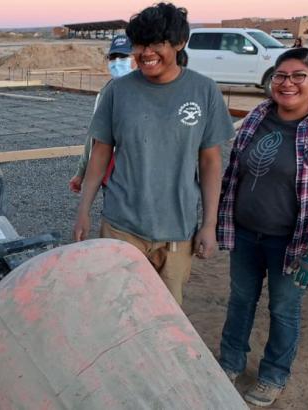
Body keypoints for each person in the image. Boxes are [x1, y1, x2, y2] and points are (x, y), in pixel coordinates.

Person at [73, 2, 234, 305]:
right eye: (140, 44)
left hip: (177, 229)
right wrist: (84, 210)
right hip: (122, 226)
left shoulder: (204, 91)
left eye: (157, 43)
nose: (146, 52)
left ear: (180, 43)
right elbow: (100, 154)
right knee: (118, 307)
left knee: (165, 313)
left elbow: (211, 162)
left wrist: (209, 224)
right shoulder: (117, 92)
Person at [217, 47, 308, 407]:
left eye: (298, 76)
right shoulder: (259, 115)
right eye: (281, 76)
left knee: (283, 309)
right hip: (245, 233)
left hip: (292, 241)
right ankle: (230, 361)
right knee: (240, 300)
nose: (287, 84)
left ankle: (274, 374)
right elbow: (234, 173)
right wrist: (216, 221)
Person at [69, 34, 136, 193]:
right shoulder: (105, 93)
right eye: (113, 57)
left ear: (136, 59)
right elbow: (94, 137)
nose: (117, 62)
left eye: (123, 56)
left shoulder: (147, 92)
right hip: (111, 176)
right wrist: (81, 172)